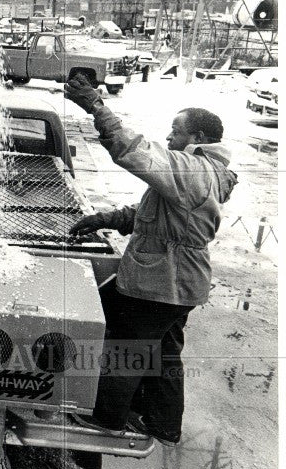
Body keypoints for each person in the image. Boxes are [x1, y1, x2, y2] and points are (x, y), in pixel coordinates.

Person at [63, 73, 237, 446]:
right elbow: (161, 218)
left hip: (162, 281)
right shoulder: (202, 174)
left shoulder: (193, 170)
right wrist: (107, 219)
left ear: (199, 140)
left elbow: (134, 150)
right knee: (165, 351)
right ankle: (162, 423)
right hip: (183, 284)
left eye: (177, 131)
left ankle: (107, 418)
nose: (170, 136)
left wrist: (96, 106)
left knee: (128, 346)